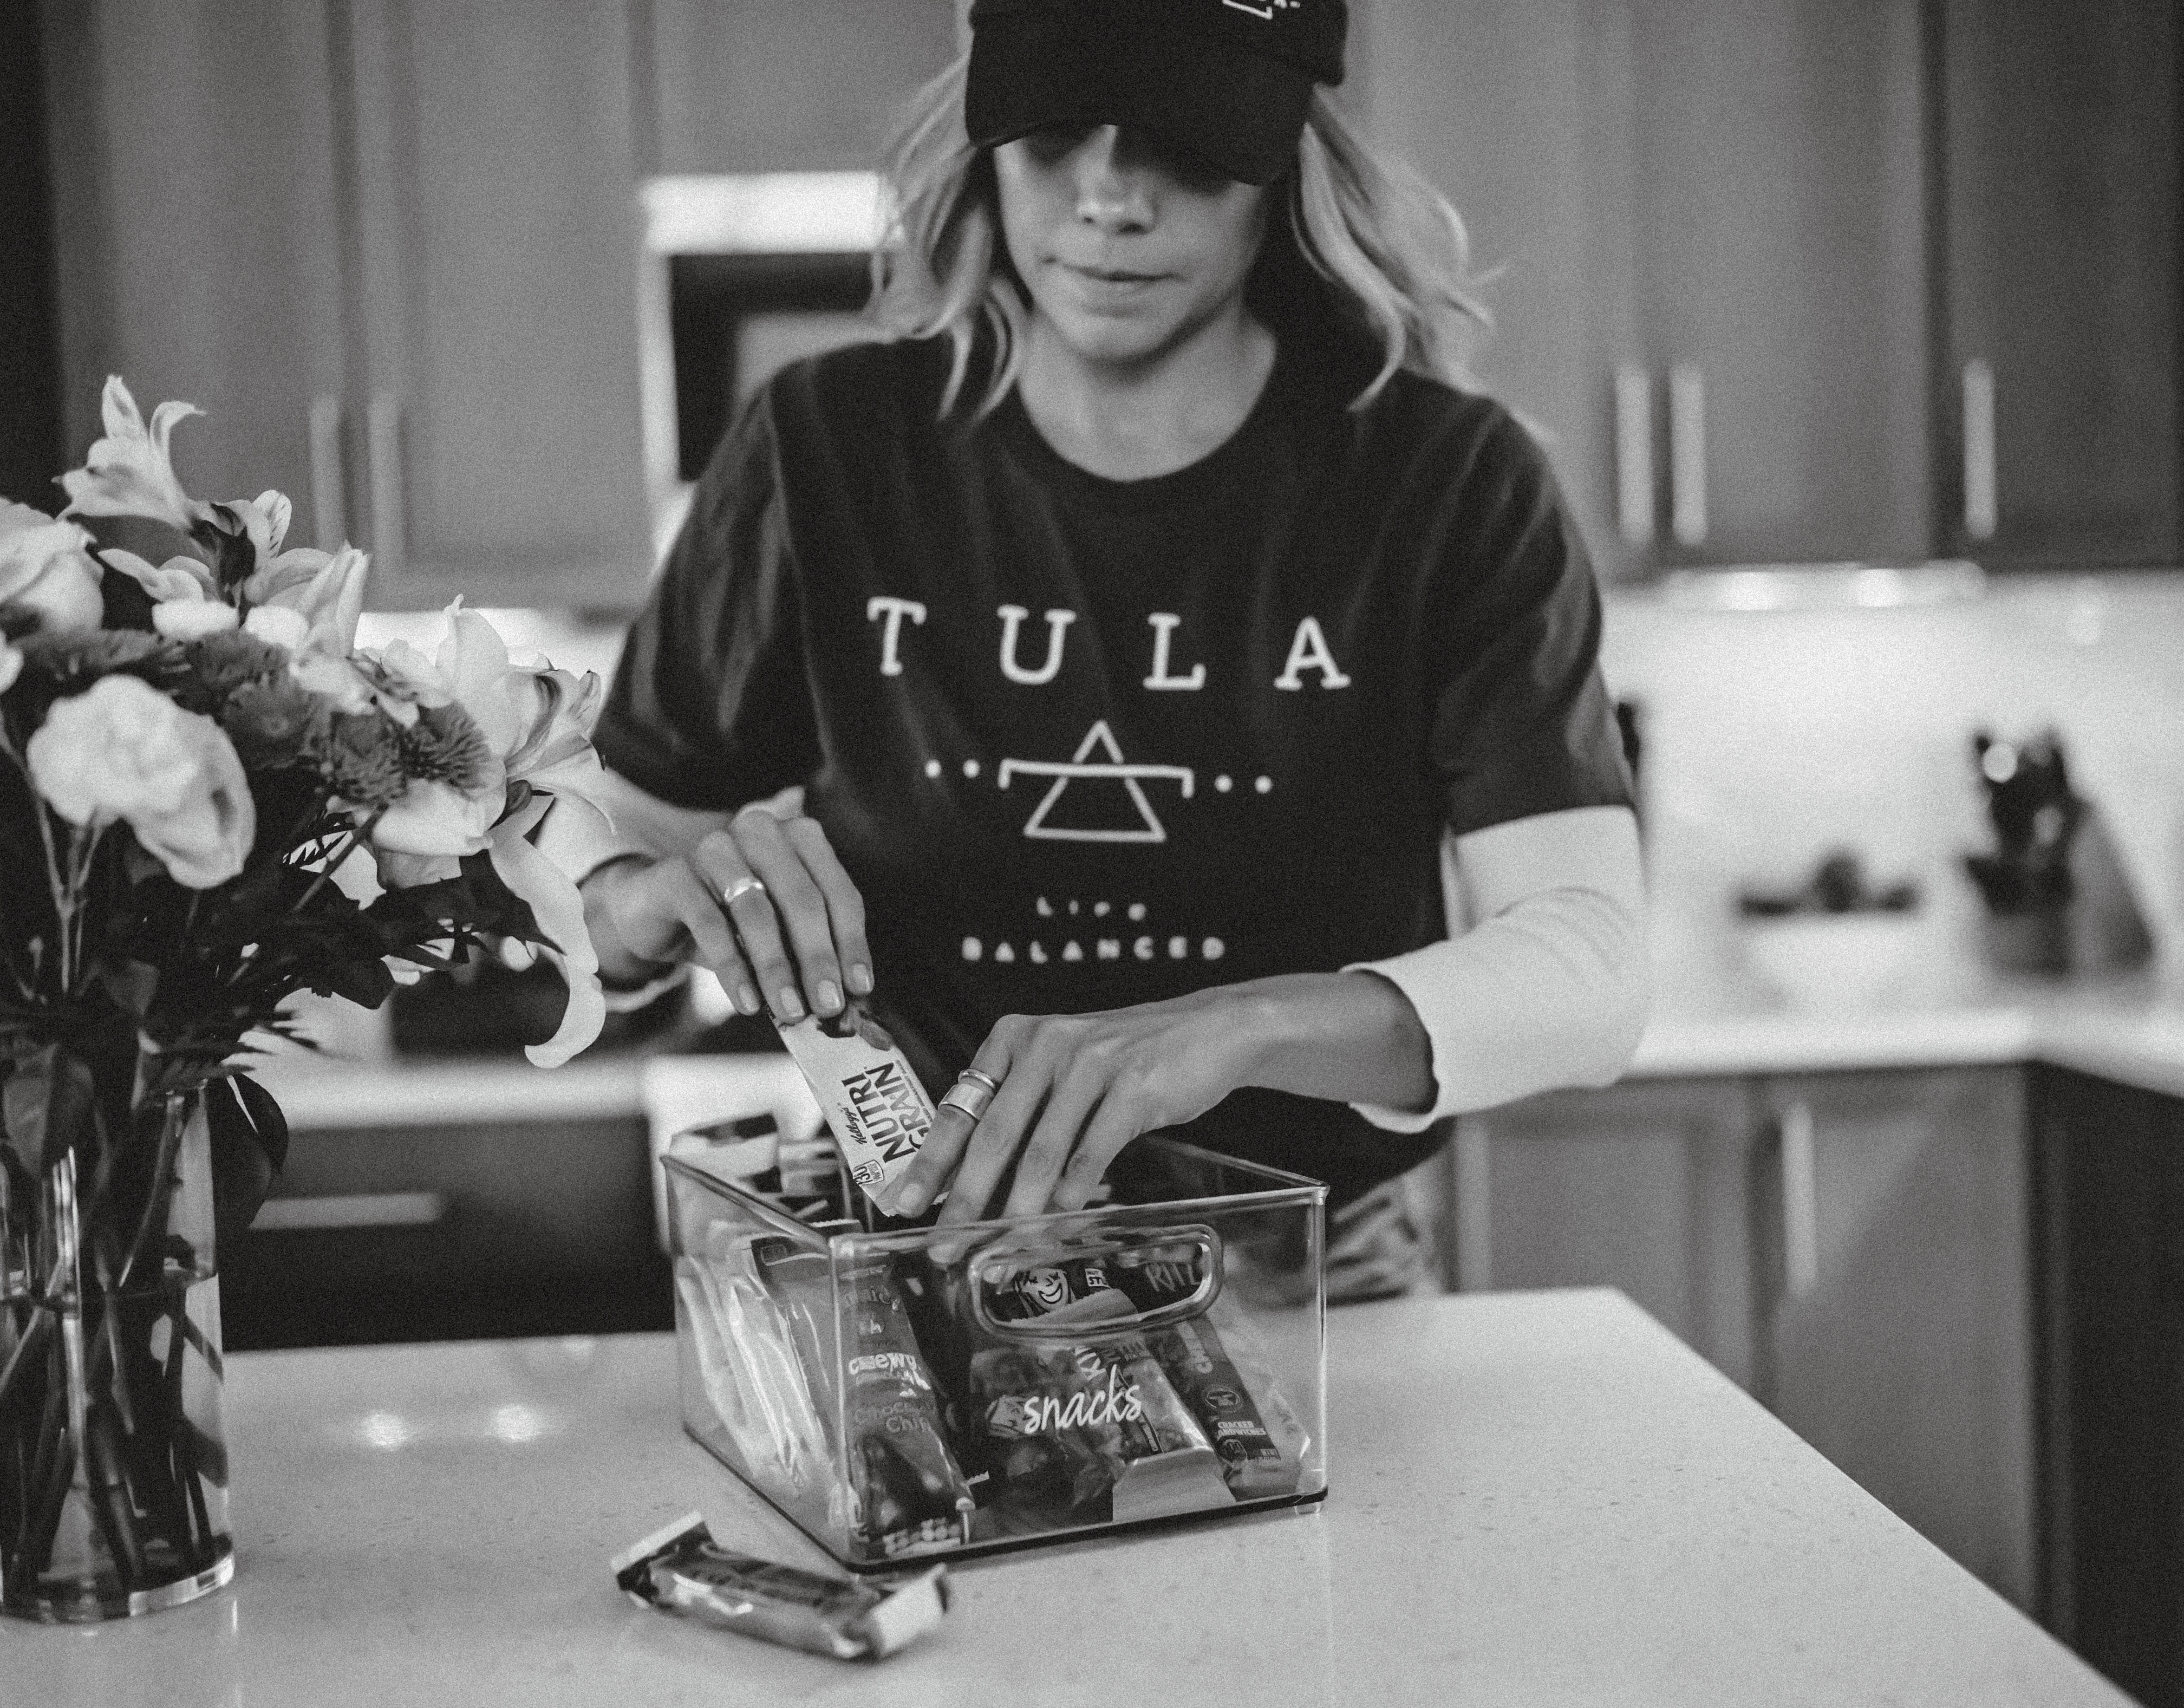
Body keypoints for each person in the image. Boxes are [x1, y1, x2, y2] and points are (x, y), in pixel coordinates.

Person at [572, 0, 1648, 1299]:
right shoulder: (825, 447)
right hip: (928, 1266)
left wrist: (1231, 1030)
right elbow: (604, 859)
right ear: (982, 143)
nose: (1108, 202)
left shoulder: (1447, 481)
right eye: (1051, 134)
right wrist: (638, 904)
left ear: (1287, 162)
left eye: (1187, 149)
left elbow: (1591, 971)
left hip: (1307, 1278)